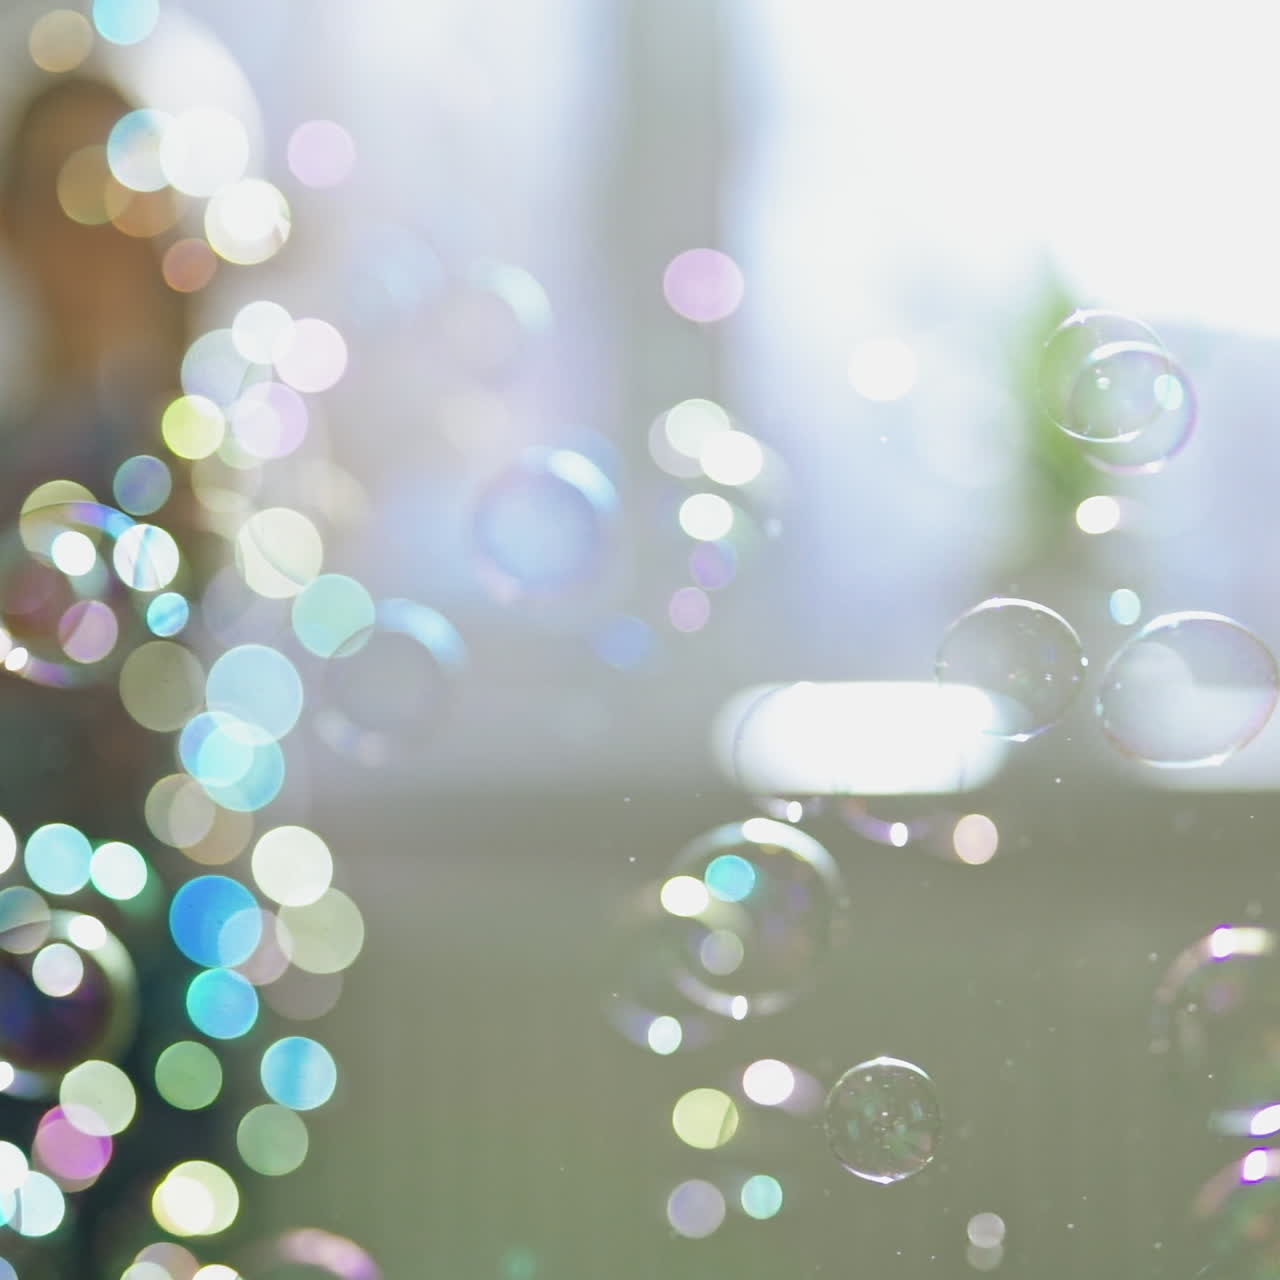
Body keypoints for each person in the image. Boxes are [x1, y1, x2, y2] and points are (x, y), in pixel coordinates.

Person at [0, 74, 224, 1276]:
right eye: (58, 193)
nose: (89, 226)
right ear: (10, 226)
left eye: (115, 193)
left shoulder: (194, 464)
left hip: (167, 974)